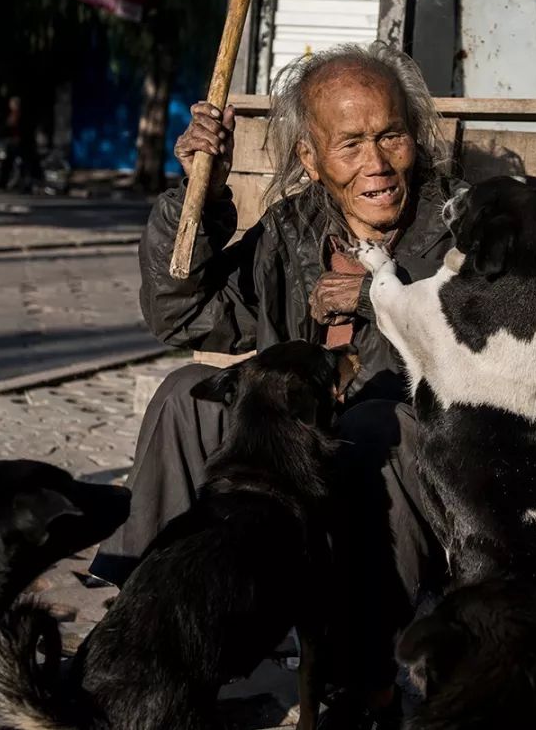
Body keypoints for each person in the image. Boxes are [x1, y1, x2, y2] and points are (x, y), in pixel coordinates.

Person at [90, 43, 458, 726]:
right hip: (299, 469)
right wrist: (197, 195)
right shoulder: (293, 230)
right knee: (183, 395)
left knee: (375, 426)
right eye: (350, 144)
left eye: (391, 137)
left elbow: (476, 352)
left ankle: (362, 682)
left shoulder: (456, 228)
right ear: (312, 161)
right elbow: (182, 312)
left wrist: (382, 298)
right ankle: (143, 632)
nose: (377, 164)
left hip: (412, 471)